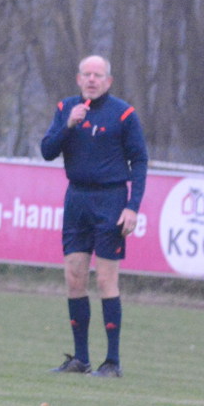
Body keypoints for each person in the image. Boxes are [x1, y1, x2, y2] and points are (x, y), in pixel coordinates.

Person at [40, 54, 148, 378]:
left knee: (104, 280)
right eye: (86, 74)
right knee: (74, 277)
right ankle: (81, 359)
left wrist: (132, 206)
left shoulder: (123, 114)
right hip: (77, 199)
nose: (91, 79)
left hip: (111, 200)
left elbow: (139, 161)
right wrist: (68, 125)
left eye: (98, 75)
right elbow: (47, 151)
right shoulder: (66, 109)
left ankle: (112, 362)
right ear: (78, 79)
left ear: (108, 81)